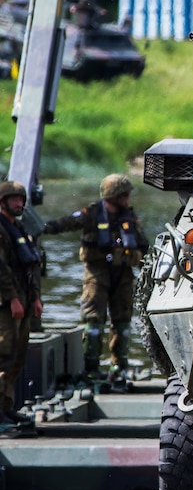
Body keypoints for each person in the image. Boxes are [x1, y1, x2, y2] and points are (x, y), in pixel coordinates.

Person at [41, 174, 149, 389]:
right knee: (93, 323)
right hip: (96, 275)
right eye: (124, 194)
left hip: (123, 275)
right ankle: (91, 369)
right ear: (114, 195)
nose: (128, 198)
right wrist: (42, 228)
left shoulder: (129, 217)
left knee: (123, 323)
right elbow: (66, 223)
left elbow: (143, 246)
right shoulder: (92, 214)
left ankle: (119, 367)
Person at [0, 181, 42, 426]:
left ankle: (7, 406)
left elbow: (31, 268)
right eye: (14, 199)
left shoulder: (21, 230)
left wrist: (35, 298)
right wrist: (13, 299)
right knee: (4, 355)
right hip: (7, 303)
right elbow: (1, 270)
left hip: (25, 299)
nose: (19, 203)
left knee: (17, 355)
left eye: (21, 199)